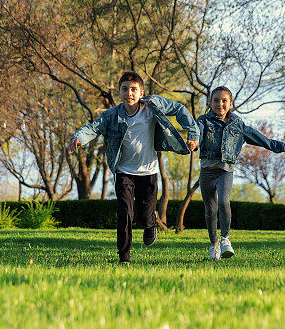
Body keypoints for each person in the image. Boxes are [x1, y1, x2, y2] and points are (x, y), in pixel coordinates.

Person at [68, 71, 199, 265]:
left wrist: (193, 132)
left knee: (146, 216)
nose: (129, 93)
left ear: (141, 92)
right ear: (119, 92)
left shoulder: (152, 106)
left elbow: (179, 109)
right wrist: (78, 137)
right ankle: (124, 257)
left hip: (148, 171)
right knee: (125, 214)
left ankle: (151, 224)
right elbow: (93, 127)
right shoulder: (111, 116)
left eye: (133, 89)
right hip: (124, 171)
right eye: (124, 89)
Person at [197, 87, 285, 260]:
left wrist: (277, 146)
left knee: (223, 201)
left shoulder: (238, 124)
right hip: (206, 171)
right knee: (210, 210)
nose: (220, 104)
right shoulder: (203, 121)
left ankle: (225, 240)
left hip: (225, 171)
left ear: (230, 104)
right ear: (210, 103)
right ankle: (213, 245)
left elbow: (258, 137)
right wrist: (191, 143)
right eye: (216, 100)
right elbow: (196, 135)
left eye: (224, 101)